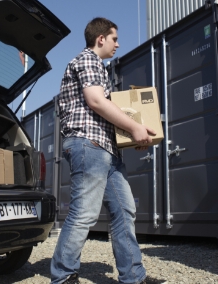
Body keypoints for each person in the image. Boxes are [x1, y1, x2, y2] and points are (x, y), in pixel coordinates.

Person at [50, 17, 167, 284]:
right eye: (114, 38)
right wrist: (135, 127)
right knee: (84, 213)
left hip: (107, 150)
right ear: (100, 38)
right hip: (88, 145)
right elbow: (95, 101)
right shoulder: (89, 59)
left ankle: (133, 276)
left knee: (124, 210)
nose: (118, 44)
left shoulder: (100, 68)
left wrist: (129, 136)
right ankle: (63, 276)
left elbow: (106, 110)